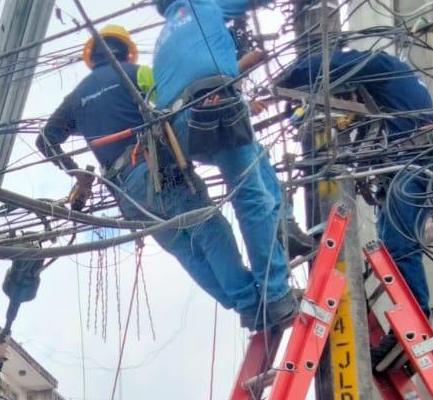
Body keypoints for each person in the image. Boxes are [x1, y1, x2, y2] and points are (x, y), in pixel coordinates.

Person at [37, 24, 272, 323]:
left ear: (92, 58)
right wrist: (237, 101)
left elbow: (45, 139)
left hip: (127, 198)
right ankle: (250, 302)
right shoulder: (134, 74)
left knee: (185, 249)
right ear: (126, 52)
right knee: (209, 230)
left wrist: (76, 174)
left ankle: (245, 307)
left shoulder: (76, 98)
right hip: (154, 175)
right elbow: (177, 102)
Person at [150, 0, 308, 329]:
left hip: (183, 132)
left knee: (256, 162)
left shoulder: (162, 40)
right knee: (252, 199)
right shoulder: (202, 2)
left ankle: (283, 223)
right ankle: (277, 294)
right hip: (217, 111)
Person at [277, 46, 433, 312]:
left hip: (413, 164)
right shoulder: (395, 86)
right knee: (391, 249)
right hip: (407, 167)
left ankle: (417, 316)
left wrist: (291, 74)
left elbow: (339, 62)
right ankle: (409, 321)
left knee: (400, 247)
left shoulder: (384, 65)